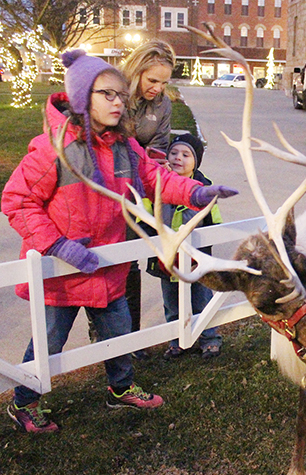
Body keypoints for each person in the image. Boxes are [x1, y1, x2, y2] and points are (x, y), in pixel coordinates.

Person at [1, 49, 238, 433]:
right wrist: (57, 245)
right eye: (107, 94)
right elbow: (17, 201)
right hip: (62, 275)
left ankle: (120, 387)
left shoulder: (125, 148)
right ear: (82, 99)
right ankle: (25, 403)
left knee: (119, 332)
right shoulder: (53, 149)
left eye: (120, 96)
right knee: (48, 342)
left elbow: (157, 179)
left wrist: (197, 193)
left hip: (108, 268)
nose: (118, 102)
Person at [112, 40, 177, 358]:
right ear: (137, 70)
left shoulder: (163, 104)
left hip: (142, 191)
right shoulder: (115, 95)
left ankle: (130, 340)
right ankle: (108, 338)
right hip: (110, 190)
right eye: (152, 80)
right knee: (114, 263)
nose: (158, 88)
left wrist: (157, 163)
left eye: (164, 81)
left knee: (133, 262)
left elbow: (161, 144)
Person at [143, 134, 224, 360]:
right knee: (172, 304)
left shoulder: (204, 188)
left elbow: (214, 222)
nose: (178, 158)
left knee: (201, 300)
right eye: (173, 153)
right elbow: (146, 217)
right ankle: (177, 340)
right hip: (167, 260)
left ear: (195, 161)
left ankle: (209, 338)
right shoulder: (156, 185)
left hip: (196, 260)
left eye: (185, 154)